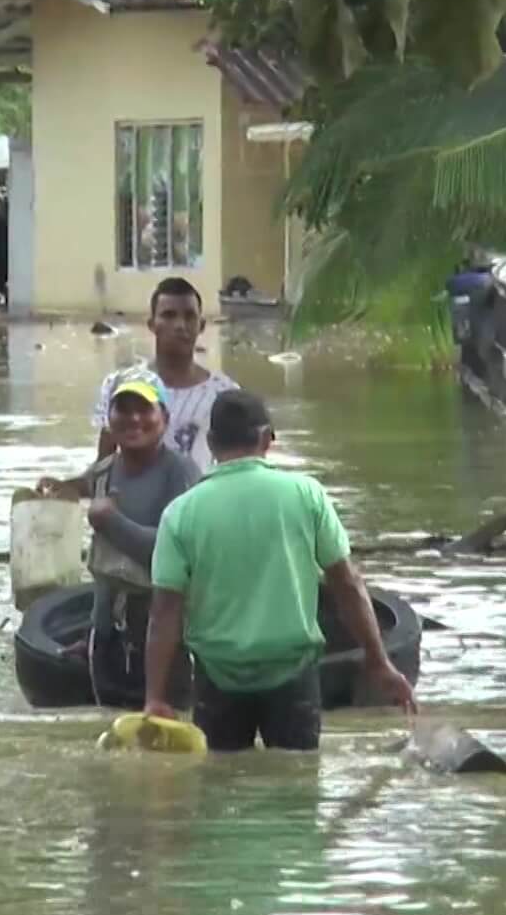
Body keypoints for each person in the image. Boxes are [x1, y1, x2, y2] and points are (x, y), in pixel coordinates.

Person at [142, 389, 416, 751]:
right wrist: (379, 662)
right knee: (296, 789)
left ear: (210, 443)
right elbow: (347, 584)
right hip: (293, 676)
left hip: (217, 678)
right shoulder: (306, 495)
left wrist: (154, 697)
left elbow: (165, 612)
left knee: (221, 792)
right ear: (267, 437)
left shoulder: (180, 513)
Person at [38, 370, 200, 706]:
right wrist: (54, 490)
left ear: (165, 418)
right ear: (109, 419)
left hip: (165, 635)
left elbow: (173, 555)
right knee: (113, 736)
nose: (134, 419)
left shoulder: (180, 472)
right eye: (123, 409)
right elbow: (106, 569)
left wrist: (111, 521)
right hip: (107, 636)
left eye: (144, 409)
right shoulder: (104, 471)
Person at [92, 278, 239, 473]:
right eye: (169, 316)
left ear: (201, 325)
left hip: (196, 499)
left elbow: (235, 471)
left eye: (189, 316)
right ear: (152, 324)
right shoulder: (119, 385)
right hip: (134, 500)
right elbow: (103, 465)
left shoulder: (225, 394)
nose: (180, 325)